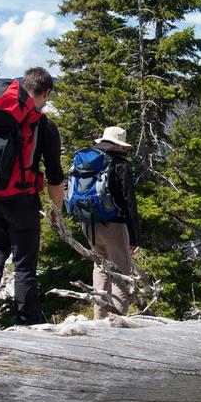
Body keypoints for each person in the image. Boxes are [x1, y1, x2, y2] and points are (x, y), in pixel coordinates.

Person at [0, 67, 64, 325]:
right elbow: (55, 177)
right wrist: (56, 213)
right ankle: (27, 323)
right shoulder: (42, 124)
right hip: (21, 199)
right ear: (46, 93)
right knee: (24, 266)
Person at [82, 126, 141, 319]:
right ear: (119, 145)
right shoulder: (120, 163)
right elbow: (128, 201)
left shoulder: (88, 160)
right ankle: (117, 321)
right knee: (120, 274)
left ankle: (99, 318)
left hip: (89, 224)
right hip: (113, 225)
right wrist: (135, 237)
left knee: (100, 269)